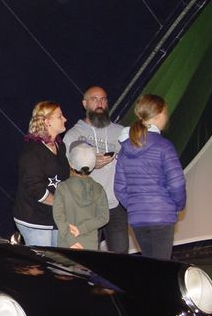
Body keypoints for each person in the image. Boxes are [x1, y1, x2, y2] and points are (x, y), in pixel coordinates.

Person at [114, 94, 186, 260]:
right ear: (159, 114)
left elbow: (119, 188)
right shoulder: (164, 146)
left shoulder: (125, 148)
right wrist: (177, 205)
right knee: (161, 267)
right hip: (162, 214)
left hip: (138, 218)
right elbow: (176, 183)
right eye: (165, 113)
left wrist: (135, 205)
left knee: (150, 265)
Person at [62, 85, 128, 253]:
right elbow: (66, 171)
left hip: (115, 206)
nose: (100, 104)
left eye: (103, 99)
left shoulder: (121, 132)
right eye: (95, 99)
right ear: (85, 104)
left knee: (121, 258)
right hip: (87, 207)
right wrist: (89, 165)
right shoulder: (73, 135)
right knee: (89, 258)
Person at [13, 101, 70, 246]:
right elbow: (35, 188)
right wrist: (61, 203)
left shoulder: (59, 145)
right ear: (47, 121)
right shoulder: (32, 151)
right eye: (60, 116)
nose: (65, 119)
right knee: (42, 260)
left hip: (54, 217)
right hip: (34, 219)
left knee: (57, 258)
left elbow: (63, 177)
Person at [53, 141, 109, 250]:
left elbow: (58, 216)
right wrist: (81, 229)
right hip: (90, 244)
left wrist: (70, 239)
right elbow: (104, 218)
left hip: (66, 243)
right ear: (92, 166)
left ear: (71, 164)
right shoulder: (99, 189)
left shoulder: (62, 187)